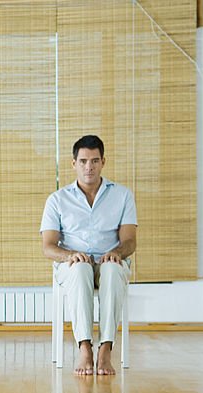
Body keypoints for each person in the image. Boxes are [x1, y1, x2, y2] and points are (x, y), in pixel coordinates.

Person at [41, 134, 136, 376]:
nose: (88, 167)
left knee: (113, 269)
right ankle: (84, 348)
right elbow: (48, 246)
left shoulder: (122, 195)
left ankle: (105, 349)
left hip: (109, 262)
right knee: (80, 267)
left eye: (94, 161)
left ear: (103, 161)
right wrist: (71, 255)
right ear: (73, 164)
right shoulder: (57, 199)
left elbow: (129, 240)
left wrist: (116, 252)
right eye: (83, 161)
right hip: (73, 266)